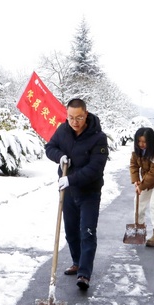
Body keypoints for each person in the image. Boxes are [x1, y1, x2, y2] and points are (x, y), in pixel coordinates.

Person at [45, 98, 109, 291]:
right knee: (71, 231)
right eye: (71, 117)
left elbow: (95, 168)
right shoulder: (63, 131)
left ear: (86, 114)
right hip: (67, 191)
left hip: (89, 191)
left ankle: (84, 274)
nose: (74, 122)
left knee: (87, 231)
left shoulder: (98, 137)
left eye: (79, 117)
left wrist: (71, 179)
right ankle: (76, 262)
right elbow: (50, 148)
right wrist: (60, 156)